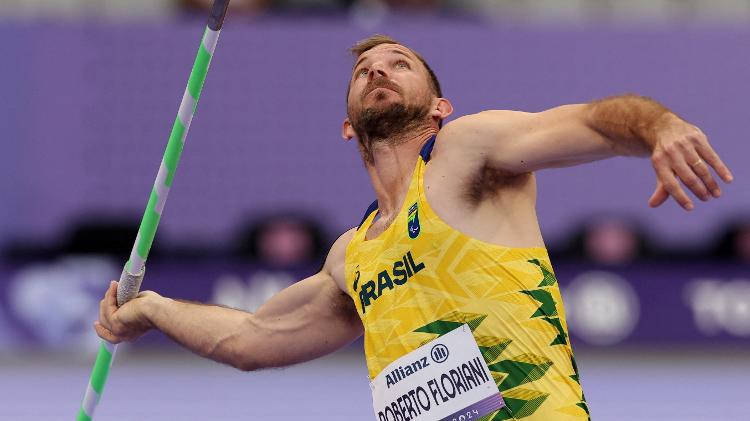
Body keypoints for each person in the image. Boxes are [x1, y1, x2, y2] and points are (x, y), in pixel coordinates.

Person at [95, 35, 733, 420]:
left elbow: (593, 122)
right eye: (363, 70)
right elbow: (252, 337)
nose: (376, 70)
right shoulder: (352, 258)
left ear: (439, 105)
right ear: (348, 125)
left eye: (397, 63)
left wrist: (659, 127)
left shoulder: (465, 156)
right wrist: (152, 308)